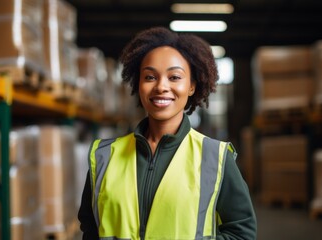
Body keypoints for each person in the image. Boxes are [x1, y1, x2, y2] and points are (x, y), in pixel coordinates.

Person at [78, 26, 257, 240]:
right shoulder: (105, 156)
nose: (161, 86)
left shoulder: (215, 158)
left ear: (191, 86)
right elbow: (90, 228)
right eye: (150, 77)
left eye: (174, 77)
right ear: (138, 83)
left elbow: (241, 232)